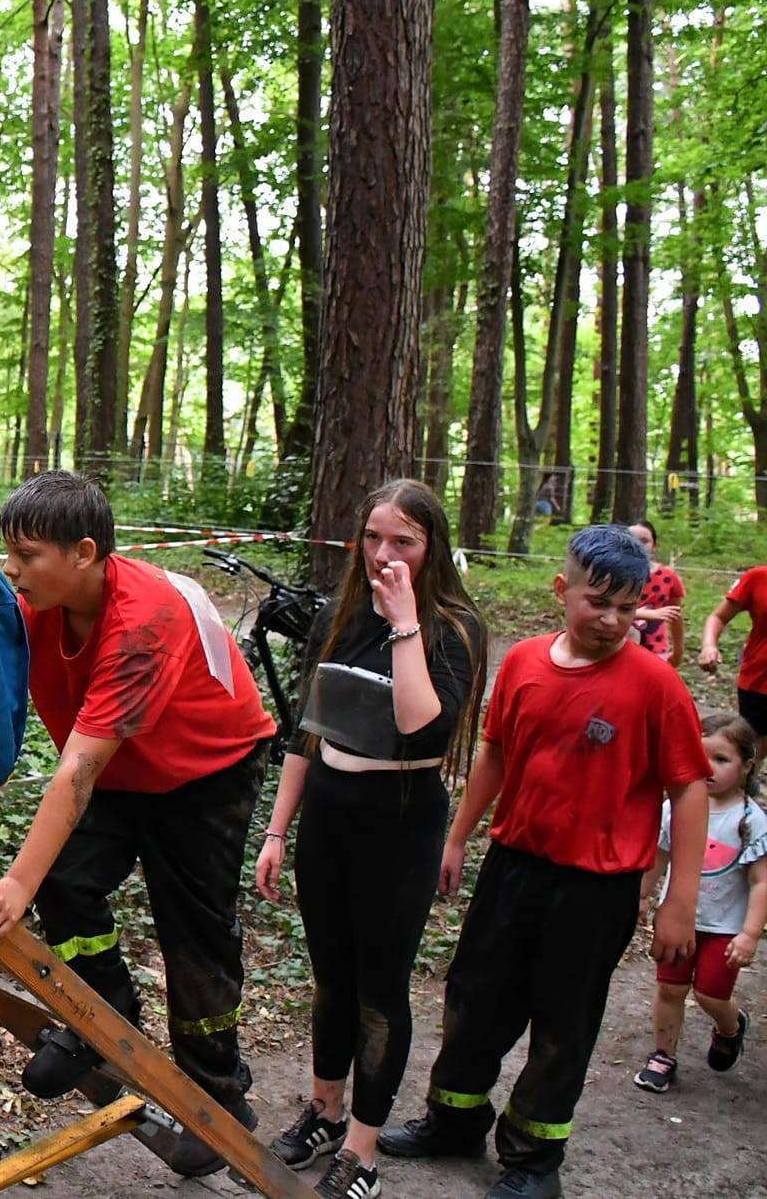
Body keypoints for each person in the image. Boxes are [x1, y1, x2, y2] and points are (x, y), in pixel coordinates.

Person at [379, 526, 710, 1199]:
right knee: (474, 997)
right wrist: (458, 836)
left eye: (628, 605)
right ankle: (454, 1119)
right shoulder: (525, 662)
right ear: (564, 591)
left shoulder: (656, 685)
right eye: (599, 602)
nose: (614, 619)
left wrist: (681, 898)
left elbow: (691, 786)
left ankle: (533, 1158)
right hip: (513, 867)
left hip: (597, 887)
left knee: (563, 1018)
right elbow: (496, 753)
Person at [0, 470, 276, 1179]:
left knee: (192, 930)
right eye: (8, 551)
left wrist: (14, 879)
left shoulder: (143, 621)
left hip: (205, 770)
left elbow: (76, 771)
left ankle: (219, 1097)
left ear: (84, 552)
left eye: (30, 554)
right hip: (120, 765)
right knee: (68, 882)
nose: (14, 568)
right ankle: (103, 1015)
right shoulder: (34, 606)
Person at [254, 479, 487, 1199]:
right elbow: (307, 727)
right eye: (375, 536)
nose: (385, 553)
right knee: (331, 977)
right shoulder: (341, 613)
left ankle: (363, 1146)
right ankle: (324, 1108)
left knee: (380, 991)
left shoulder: (454, 626)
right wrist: (275, 829)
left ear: (431, 548)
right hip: (329, 810)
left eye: (404, 542)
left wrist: (406, 620)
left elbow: (425, 724)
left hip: (401, 818)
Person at [632, 710, 766, 1093]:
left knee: (710, 993)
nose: (709, 767)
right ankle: (663, 1055)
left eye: (722, 759)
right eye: (701, 754)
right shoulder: (674, 807)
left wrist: (750, 934)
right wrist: (642, 897)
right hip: (680, 920)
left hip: (725, 927)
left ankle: (730, 1025)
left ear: (746, 766)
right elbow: (658, 857)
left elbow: (761, 882)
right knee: (670, 989)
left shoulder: (751, 820)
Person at [697, 564, 767, 736]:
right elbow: (719, 616)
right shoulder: (758, 577)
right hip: (759, 681)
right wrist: (709, 645)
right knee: (755, 748)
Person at [627, 519, 684, 667]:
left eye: (644, 541)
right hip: (619, 647)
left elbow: (675, 615)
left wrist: (678, 650)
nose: (638, 545)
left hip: (656, 650)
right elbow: (607, 610)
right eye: (632, 540)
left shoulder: (668, 576)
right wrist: (647, 614)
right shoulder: (613, 575)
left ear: (654, 546)